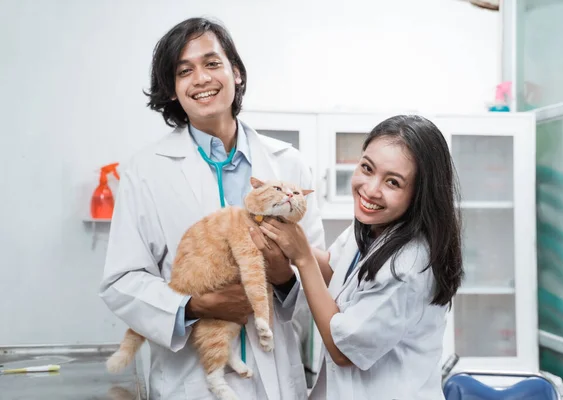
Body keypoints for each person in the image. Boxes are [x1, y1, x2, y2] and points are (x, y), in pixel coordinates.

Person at [99, 17, 325, 400]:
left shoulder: (288, 164)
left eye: (212, 63)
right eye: (184, 71)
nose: (200, 78)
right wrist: (195, 305)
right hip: (190, 382)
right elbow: (121, 281)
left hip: (274, 380)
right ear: (172, 90)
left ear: (236, 73)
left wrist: (283, 278)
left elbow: (317, 272)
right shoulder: (146, 171)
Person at [258, 115, 463, 399]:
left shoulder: (408, 265)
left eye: (393, 182)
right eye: (367, 168)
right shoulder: (374, 229)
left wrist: (302, 255)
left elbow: (344, 351)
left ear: (420, 194)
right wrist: (281, 233)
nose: (370, 189)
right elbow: (333, 269)